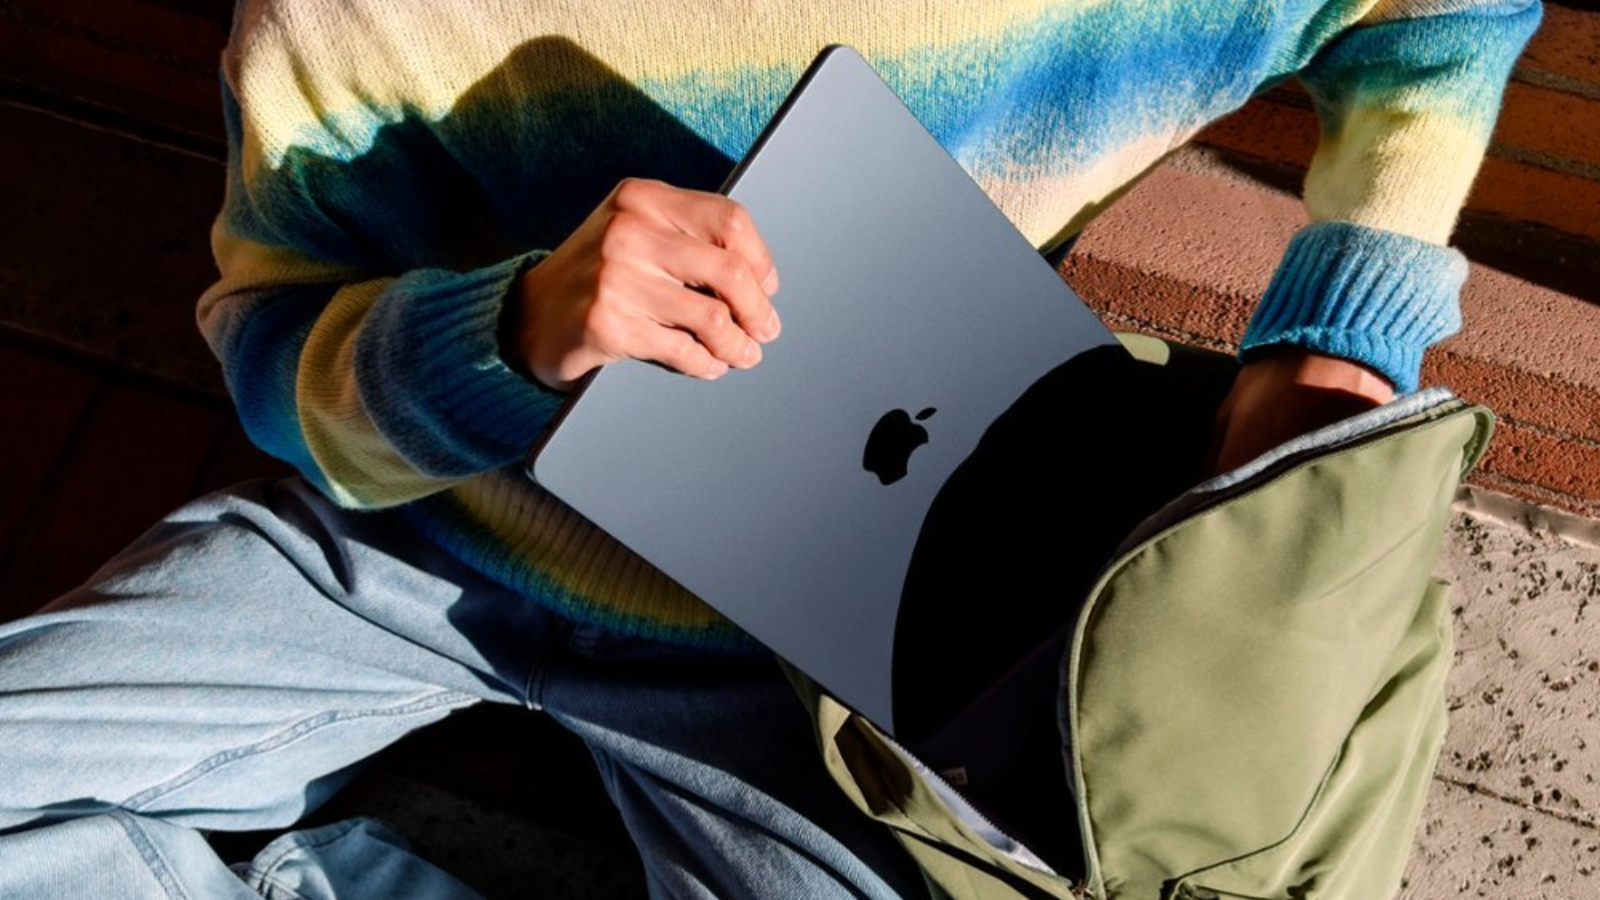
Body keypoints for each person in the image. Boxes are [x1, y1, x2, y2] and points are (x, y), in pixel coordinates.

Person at [0, 1, 1541, 897]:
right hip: (415, 551)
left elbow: (1444, 19)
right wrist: (503, 335)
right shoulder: (358, 18)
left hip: (820, 655)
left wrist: (1340, 328)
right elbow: (277, 358)